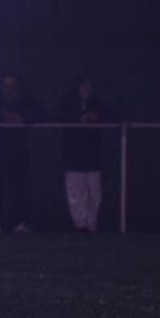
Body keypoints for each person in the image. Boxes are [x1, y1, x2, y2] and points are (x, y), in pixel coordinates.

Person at [0, 71, 44, 234]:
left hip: (18, 153)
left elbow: (42, 113)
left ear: (18, 88)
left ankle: (20, 222)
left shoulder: (26, 101)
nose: (9, 89)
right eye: (6, 86)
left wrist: (21, 117)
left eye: (12, 86)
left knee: (20, 189)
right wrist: (2, 116)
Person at [57, 77, 114, 233]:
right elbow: (57, 116)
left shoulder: (99, 103)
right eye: (83, 86)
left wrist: (96, 118)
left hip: (93, 156)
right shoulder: (67, 103)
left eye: (89, 86)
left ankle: (92, 223)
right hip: (73, 156)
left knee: (94, 191)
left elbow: (112, 115)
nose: (86, 89)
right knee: (76, 192)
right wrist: (79, 119)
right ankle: (80, 224)